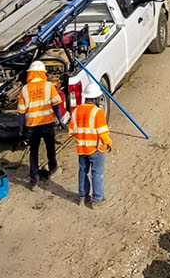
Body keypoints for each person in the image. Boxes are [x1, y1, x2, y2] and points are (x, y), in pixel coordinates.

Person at [16, 60, 66, 190]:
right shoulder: (49, 86)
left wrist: (21, 128)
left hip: (32, 125)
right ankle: (53, 169)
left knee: (33, 152)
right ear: (42, 73)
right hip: (47, 123)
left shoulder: (25, 89)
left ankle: (34, 181)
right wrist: (60, 119)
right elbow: (56, 104)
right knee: (50, 147)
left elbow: (21, 112)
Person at [68, 98, 113, 208]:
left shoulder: (76, 111)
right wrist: (109, 142)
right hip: (95, 149)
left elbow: (72, 131)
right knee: (97, 173)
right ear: (96, 99)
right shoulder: (97, 112)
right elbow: (102, 132)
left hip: (82, 148)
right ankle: (97, 199)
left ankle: (82, 196)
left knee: (82, 171)